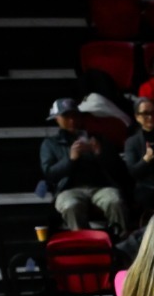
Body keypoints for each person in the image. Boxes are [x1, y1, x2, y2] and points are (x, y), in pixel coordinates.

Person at [42, 97, 129, 234]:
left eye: (74, 115)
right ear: (56, 118)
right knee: (71, 205)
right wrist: (71, 159)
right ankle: (82, 243)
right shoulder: (50, 144)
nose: (72, 120)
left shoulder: (99, 138)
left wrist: (100, 153)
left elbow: (119, 169)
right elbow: (50, 174)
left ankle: (120, 243)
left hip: (100, 187)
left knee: (115, 200)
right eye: (66, 116)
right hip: (69, 189)